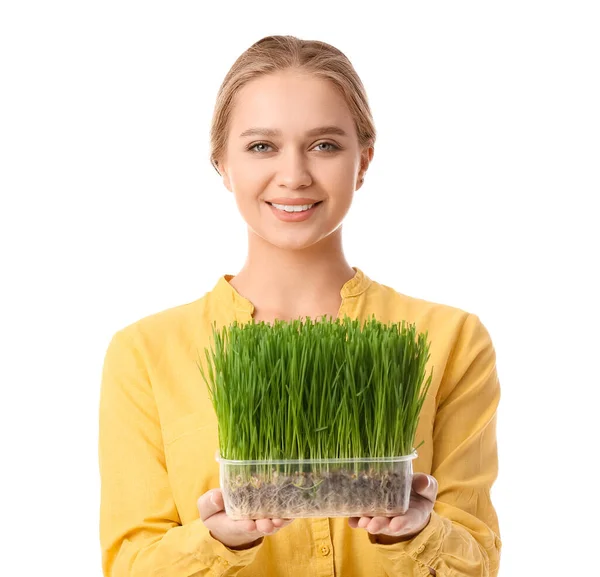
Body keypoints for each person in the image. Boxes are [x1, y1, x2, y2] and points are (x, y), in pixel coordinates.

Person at [99, 35, 501, 576]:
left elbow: (477, 563)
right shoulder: (144, 354)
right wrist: (220, 541)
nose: (294, 175)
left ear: (364, 161)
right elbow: (129, 565)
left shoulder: (449, 339)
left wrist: (417, 531)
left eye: (324, 145)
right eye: (262, 146)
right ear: (222, 163)